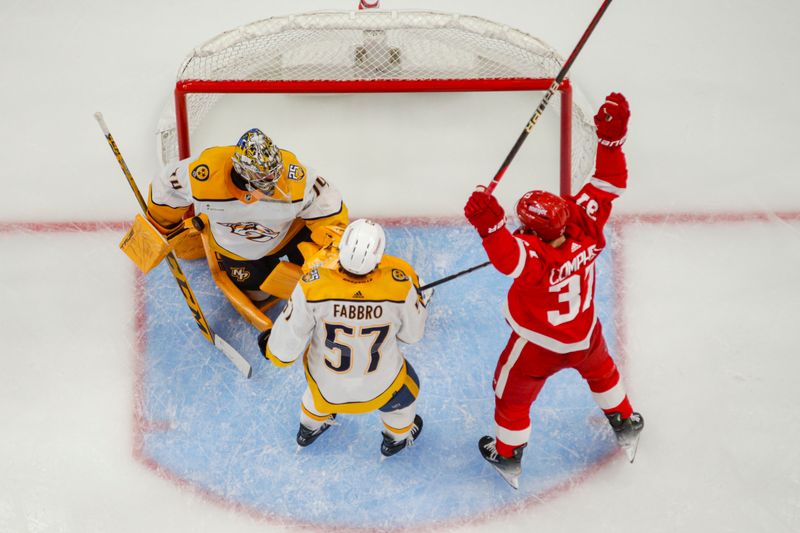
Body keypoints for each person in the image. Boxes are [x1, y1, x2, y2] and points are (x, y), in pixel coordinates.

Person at [463, 93, 644, 489]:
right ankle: (625, 421)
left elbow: (509, 259)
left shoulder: (535, 256)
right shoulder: (583, 222)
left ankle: (508, 456)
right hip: (584, 334)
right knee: (603, 373)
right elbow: (609, 183)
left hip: (536, 345)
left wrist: (491, 229)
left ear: (532, 230)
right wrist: (610, 143)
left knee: (510, 396)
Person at [258, 219, 431, 456]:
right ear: (379, 257)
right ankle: (396, 439)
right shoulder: (399, 286)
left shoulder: (312, 285)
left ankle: (308, 429)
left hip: (327, 386)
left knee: (317, 393)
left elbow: (284, 348)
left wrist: (273, 350)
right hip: (380, 387)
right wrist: (416, 301)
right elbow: (413, 336)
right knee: (406, 393)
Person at [145, 128, 348, 311]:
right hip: (236, 250)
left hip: (285, 236)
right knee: (259, 296)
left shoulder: (294, 177)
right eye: (265, 178)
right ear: (244, 171)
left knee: (322, 277)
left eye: (275, 174)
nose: (275, 182)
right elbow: (166, 186)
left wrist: (334, 240)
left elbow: (326, 200)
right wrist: (162, 224)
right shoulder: (204, 174)